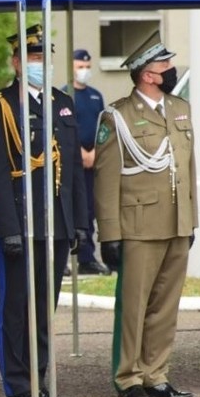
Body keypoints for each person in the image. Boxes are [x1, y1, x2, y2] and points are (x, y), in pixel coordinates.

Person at [0, 24, 86, 397]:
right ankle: (18, 386)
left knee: (46, 310)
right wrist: (8, 227)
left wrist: (80, 223)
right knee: (17, 308)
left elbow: (72, 170)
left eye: (44, 56)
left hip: (55, 223)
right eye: (33, 57)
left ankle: (44, 380)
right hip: (20, 224)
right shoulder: (2, 104)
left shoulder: (62, 102)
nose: (40, 63)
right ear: (17, 62)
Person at [94, 31, 197, 397]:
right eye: (164, 66)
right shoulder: (117, 115)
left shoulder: (180, 108)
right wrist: (109, 234)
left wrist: (192, 220)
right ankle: (128, 377)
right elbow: (106, 178)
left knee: (166, 305)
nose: (170, 70)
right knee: (134, 304)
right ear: (147, 75)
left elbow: (187, 166)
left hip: (176, 223)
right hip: (138, 225)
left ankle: (157, 374)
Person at [66, 48, 110, 275]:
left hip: (94, 162)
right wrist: (80, 152)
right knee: (69, 209)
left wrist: (95, 153)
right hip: (72, 163)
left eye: (87, 67)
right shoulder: (65, 94)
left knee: (90, 211)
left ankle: (87, 257)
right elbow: (64, 129)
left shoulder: (95, 95)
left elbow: (104, 126)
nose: (84, 71)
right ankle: (65, 257)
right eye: (79, 67)